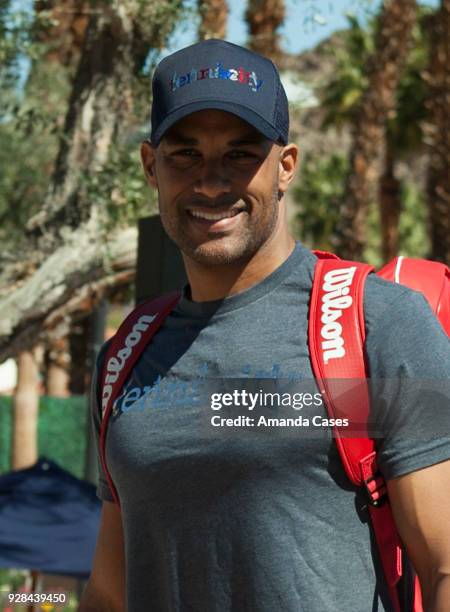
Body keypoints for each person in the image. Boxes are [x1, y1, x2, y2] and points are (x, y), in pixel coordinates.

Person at [79, 39, 450, 612]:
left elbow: (445, 564)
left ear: (285, 166)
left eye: (239, 154)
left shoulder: (379, 324)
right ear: (151, 167)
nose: (209, 182)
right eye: (185, 155)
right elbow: (108, 591)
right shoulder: (124, 356)